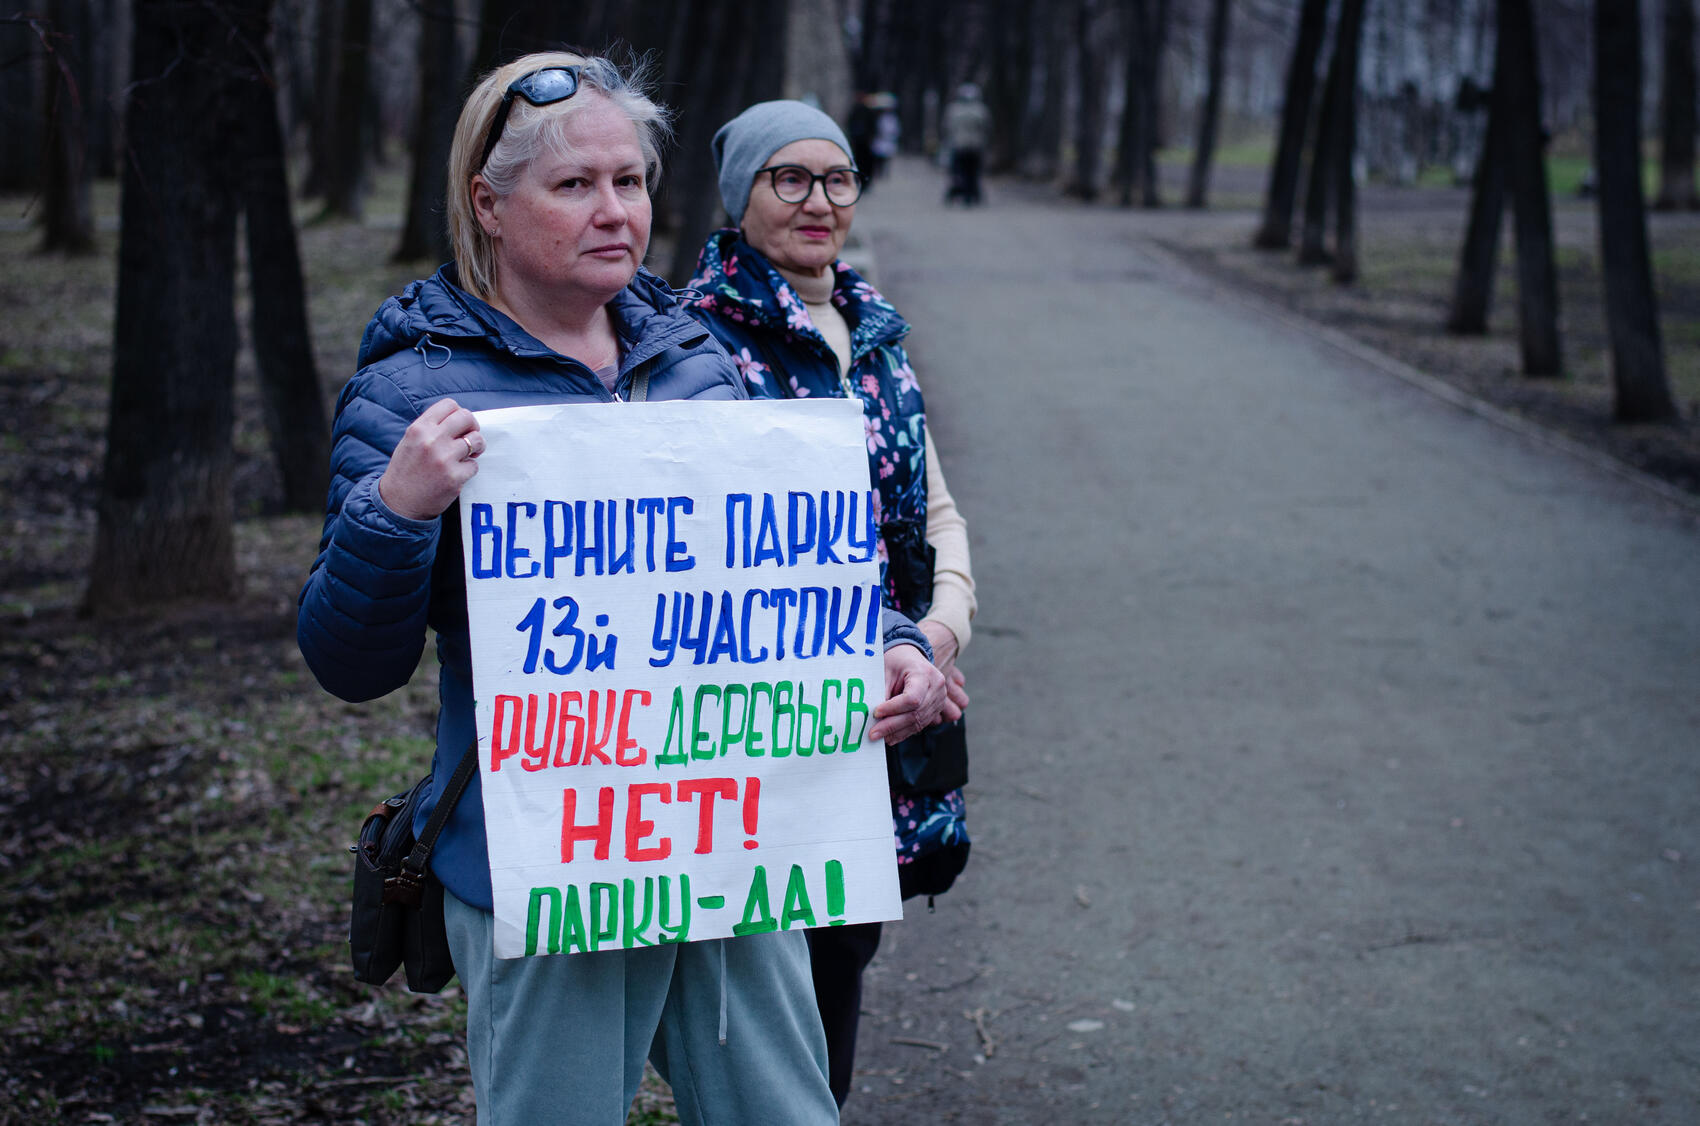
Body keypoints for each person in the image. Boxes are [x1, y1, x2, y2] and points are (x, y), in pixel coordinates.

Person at [296, 54, 946, 1126]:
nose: (615, 212)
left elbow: (775, 579)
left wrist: (890, 643)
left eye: (630, 181)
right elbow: (348, 663)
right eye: (574, 184)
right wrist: (396, 508)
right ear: (488, 203)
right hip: (545, 867)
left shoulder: (694, 359)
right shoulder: (413, 388)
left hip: (734, 846)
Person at [683, 99, 977, 1108]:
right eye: (789, 178)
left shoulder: (874, 329)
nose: (818, 201)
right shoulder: (696, 341)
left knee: (844, 952)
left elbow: (938, 513)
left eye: (837, 177)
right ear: (741, 195)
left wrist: (935, 637)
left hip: (888, 700)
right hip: (768, 721)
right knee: (769, 982)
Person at [942, 82, 990, 205]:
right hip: (975, 146)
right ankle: (972, 194)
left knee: (959, 172)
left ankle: (962, 193)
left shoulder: (954, 110)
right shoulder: (981, 110)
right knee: (973, 172)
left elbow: (948, 128)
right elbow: (986, 127)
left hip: (959, 146)